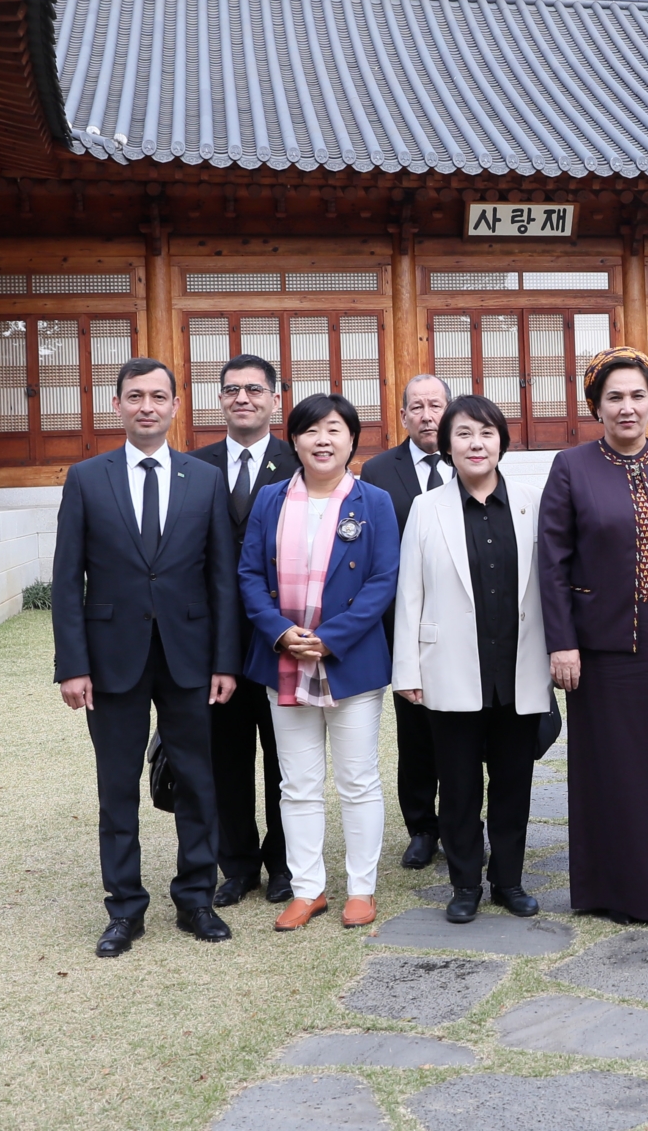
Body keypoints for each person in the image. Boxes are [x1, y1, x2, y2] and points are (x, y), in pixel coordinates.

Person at [51, 357, 242, 957]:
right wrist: (72, 664)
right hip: (111, 659)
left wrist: (224, 661)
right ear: (117, 405)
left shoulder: (203, 479)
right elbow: (66, 580)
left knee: (197, 780)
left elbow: (221, 579)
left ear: (176, 406)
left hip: (189, 655)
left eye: (159, 396)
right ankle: (125, 908)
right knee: (117, 787)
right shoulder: (86, 478)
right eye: (135, 396)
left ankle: (195, 898)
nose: (147, 407)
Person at [538, 348, 648, 924]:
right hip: (603, 648)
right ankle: (611, 889)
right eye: (614, 396)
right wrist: (561, 642)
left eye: (637, 395)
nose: (627, 407)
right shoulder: (571, 466)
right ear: (596, 405)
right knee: (612, 770)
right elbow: (553, 562)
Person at [238, 393, 401, 931]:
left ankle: (361, 889)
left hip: (350, 661)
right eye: (311, 431)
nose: (323, 440)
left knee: (357, 780)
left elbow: (383, 580)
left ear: (352, 439)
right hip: (283, 659)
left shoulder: (373, 501)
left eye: (335, 429)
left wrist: (330, 638)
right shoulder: (270, 500)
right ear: (296, 441)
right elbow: (249, 577)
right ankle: (308, 889)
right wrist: (283, 633)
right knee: (297, 784)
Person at [393, 394, 552, 924]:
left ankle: (508, 879)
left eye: (486, 433)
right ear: (447, 446)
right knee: (458, 786)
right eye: (463, 434)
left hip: (518, 667)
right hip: (450, 668)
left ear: (502, 442)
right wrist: (408, 670)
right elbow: (409, 593)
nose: (475, 443)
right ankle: (464, 884)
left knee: (513, 783)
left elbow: (549, 589)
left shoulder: (532, 501)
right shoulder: (426, 507)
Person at [188, 353, 300, 908]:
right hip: (215, 645)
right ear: (220, 400)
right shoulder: (195, 466)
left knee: (286, 758)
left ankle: (283, 863)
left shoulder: (298, 460)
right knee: (226, 760)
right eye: (232, 390)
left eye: (255, 390)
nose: (243, 399)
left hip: (280, 637)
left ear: (276, 400)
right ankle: (236, 865)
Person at [357, 373, 453, 870]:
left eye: (435, 405)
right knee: (414, 731)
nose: (426, 415)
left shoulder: (471, 458)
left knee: (462, 727)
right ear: (402, 416)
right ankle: (422, 826)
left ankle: (462, 822)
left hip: (461, 621)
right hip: (402, 622)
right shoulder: (376, 471)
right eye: (416, 407)